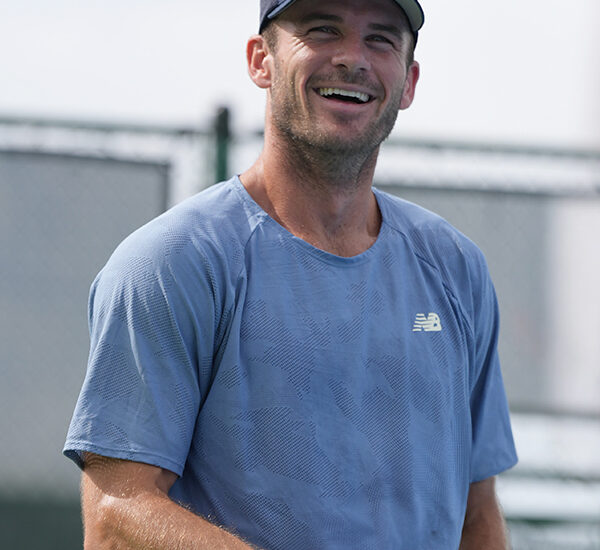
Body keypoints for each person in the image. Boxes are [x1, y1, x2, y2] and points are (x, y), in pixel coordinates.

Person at [64, 0, 518, 548]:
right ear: (261, 60)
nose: (352, 58)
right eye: (322, 30)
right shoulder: (172, 263)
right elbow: (116, 518)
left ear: (409, 82)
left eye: (380, 39)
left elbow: (476, 513)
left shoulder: (455, 268)